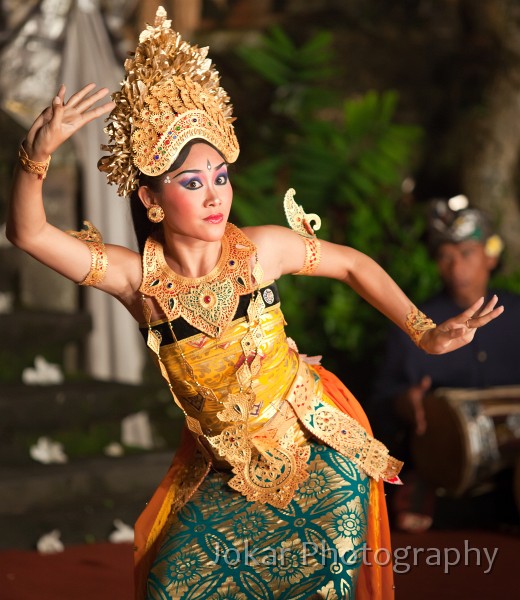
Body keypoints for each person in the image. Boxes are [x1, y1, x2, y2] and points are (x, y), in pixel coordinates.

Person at [6, 8, 503, 600]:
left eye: (221, 176)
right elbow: (30, 235)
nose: (216, 195)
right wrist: (35, 162)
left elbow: (350, 262)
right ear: (152, 198)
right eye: (193, 183)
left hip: (318, 453)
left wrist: (423, 331)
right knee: (169, 588)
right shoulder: (137, 278)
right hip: (226, 472)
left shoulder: (260, 250)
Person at [369, 197, 520, 533]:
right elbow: (383, 402)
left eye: (466, 253)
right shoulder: (415, 322)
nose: (456, 267)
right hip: (444, 472)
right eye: (445, 256)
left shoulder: (517, 314)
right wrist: (407, 404)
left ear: (490, 256)